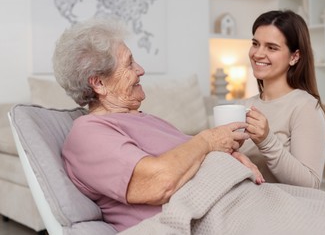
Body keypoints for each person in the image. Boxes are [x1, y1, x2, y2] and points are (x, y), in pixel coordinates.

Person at [52, 18, 263, 232]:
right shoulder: (88, 133)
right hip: (216, 217)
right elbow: (158, 183)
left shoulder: (142, 118)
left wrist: (225, 156)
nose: (141, 70)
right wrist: (209, 141)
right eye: (129, 63)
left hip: (243, 201)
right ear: (99, 83)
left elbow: (190, 156)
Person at [237, 10, 325, 189]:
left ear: (294, 57)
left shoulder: (305, 107)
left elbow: (310, 184)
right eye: (255, 44)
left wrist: (266, 141)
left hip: (281, 208)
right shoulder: (243, 106)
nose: (258, 54)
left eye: (271, 47)